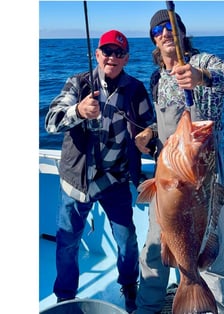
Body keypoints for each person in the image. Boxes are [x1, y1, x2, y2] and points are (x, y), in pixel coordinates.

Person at [45, 29, 155, 314]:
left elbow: (150, 127)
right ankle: (65, 296)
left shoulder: (136, 90)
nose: (112, 57)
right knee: (67, 242)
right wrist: (78, 112)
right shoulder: (78, 83)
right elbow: (51, 121)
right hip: (76, 181)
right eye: (107, 51)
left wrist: (149, 139)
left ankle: (129, 286)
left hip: (114, 180)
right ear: (97, 54)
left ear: (127, 58)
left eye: (119, 53)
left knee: (127, 239)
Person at [134, 9, 224, 314]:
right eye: (158, 29)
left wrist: (202, 77)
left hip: (202, 175)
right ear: (153, 37)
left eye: (171, 27)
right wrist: (148, 133)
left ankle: (215, 306)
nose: (165, 32)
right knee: (154, 246)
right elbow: (165, 124)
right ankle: (147, 306)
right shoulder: (157, 76)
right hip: (168, 175)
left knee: (210, 249)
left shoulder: (201, 62)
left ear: (181, 32)